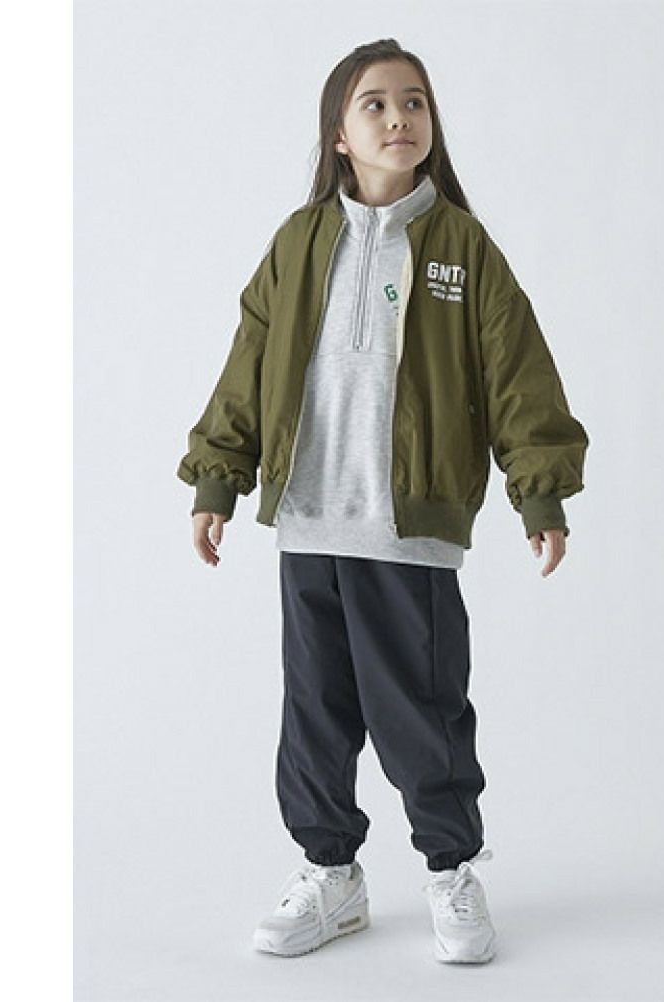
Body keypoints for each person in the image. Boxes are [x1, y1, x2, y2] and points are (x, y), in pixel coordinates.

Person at [176, 38, 589, 964]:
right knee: (315, 713)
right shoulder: (298, 242)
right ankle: (332, 875)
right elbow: (246, 367)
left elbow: (519, 376)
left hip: (410, 531)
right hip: (309, 523)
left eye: (414, 102)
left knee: (424, 714)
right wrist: (218, 477)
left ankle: (450, 869)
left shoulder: (463, 249)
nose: (399, 118)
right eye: (375, 104)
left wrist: (541, 494)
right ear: (338, 134)